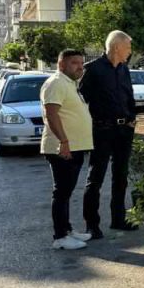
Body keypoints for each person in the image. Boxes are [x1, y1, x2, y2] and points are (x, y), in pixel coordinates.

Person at [79, 30, 138, 239]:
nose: (130, 51)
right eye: (128, 47)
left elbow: (129, 96)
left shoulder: (124, 69)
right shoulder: (92, 70)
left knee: (121, 177)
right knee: (96, 178)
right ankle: (92, 225)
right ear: (116, 47)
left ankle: (118, 219)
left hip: (124, 130)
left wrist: (132, 118)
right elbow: (80, 101)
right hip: (102, 130)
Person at [41, 49, 95, 250]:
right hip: (63, 147)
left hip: (74, 147)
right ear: (61, 64)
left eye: (81, 63)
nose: (80, 66)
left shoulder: (69, 84)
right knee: (61, 193)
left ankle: (67, 230)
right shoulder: (56, 83)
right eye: (74, 63)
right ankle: (60, 237)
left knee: (66, 192)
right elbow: (51, 113)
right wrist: (63, 141)